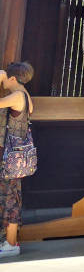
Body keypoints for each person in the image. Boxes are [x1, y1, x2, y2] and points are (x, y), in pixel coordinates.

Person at [0, 62, 34, 260]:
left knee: (10, 198)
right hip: (17, 156)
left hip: (8, 156)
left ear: (13, 79)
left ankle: (11, 244)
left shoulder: (16, 96)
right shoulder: (26, 96)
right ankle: (9, 241)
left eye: (7, 78)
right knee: (11, 196)